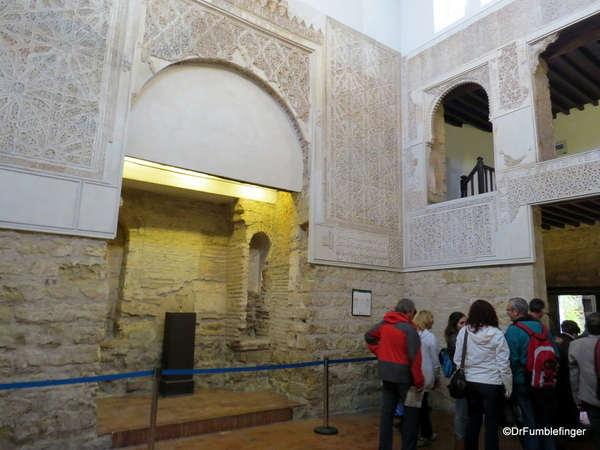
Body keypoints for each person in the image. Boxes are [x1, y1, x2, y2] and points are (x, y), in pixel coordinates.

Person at [365, 298, 424, 450]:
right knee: (411, 415)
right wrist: (419, 381)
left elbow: (369, 336)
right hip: (405, 377)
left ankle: (384, 447)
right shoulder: (409, 330)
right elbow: (415, 357)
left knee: (387, 414)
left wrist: (380, 351)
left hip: (386, 373)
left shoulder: (385, 325)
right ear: (409, 311)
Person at [454, 299, 512, 450]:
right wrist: (508, 388)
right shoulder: (496, 334)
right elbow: (503, 364)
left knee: (473, 420)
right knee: (492, 425)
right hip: (492, 384)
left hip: (471, 382)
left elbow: (457, 359)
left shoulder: (464, 332)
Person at [505, 297, 557, 450]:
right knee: (543, 419)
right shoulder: (542, 328)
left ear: (515, 311)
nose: (507, 313)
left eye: (508, 310)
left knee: (528, 420)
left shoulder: (513, 330)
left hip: (522, 381)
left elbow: (511, 359)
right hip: (543, 380)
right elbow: (555, 353)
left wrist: (508, 384)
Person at [569, 312, 600, 450]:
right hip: (591, 395)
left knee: (598, 431)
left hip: (590, 395)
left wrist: (577, 398)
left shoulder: (576, 345)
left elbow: (574, 374)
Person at [413, 310, 441, 447]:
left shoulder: (412, 335)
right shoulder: (430, 337)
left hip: (414, 373)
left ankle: (426, 433)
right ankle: (419, 435)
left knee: (420, 405)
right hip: (426, 374)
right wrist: (437, 376)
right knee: (419, 406)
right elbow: (435, 361)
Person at [445, 311, 468, 450]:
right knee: (461, 412)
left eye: (466, 322)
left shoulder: (461, 336)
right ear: (455, 325)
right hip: (461, 377)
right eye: (462, 323)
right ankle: (460, 441)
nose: (465, 325)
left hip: (464, 375)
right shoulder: (456, 338)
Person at [555, 320, 581, 430]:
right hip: (570, 377)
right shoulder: (574, 344)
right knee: (572, 405)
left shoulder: (556, 340)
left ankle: (561, 427)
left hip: (557, 378)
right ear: (575, 332)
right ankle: (573, 430)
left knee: (560, 404)